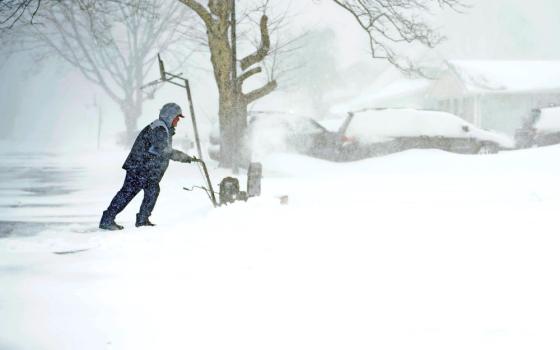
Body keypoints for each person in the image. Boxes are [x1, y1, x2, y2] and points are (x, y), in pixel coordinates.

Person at [99, 103, 197, 230]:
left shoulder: (163, 128)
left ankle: (142, 219)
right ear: (169, 116)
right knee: (127, 193)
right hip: (139, 168)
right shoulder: (159, 129)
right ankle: (108, 219)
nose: (178, 120)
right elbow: (164, 151)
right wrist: (184, 157)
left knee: (151, 191)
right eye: (177, 117)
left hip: (144, 168)